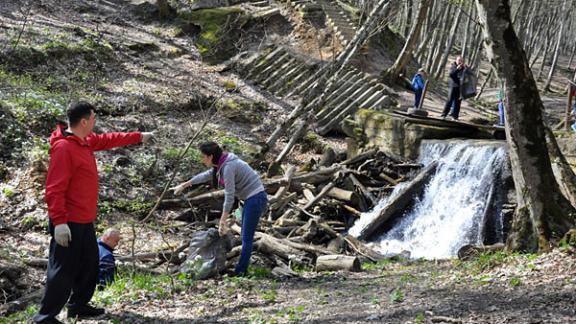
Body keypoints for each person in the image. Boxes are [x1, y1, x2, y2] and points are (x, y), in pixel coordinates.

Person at [33, 102, 154, 324]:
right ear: (84, 121)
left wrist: (138, 136)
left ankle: (78, 305)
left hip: (84, 219)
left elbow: (109, 139)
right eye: (94, 118)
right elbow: (54, 188)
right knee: (62, 270)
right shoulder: (64, 148)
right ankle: (44, 317)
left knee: (90, 263)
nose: (95, 122)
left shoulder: (85, 141)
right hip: (67, 221)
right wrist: (59, 222)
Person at [170, 142, 267, 276]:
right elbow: (206, 175)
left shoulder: (228, 167)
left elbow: (229, 195)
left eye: (203, 156)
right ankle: (240, 269)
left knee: (246, 238)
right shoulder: (221, 164)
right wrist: (184, 185)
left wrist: (222, 220)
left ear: (210, 156)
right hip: (249, 199)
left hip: (255, 199)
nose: (202, 159)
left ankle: (241, 272)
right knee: (245, 236)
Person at [441, 56, 466, 120]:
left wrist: (466, 68)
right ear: (456, 60)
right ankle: (444, 115)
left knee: (458, 103)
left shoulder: (463, 68)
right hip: (452, 86)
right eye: (458, 60)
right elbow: (451, 74)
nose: (459, 61)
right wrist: (457, 69)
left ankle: (455, 117)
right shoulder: (453, 66)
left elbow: (467, 76)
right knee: (449, 100)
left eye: (461, 60)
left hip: (460, 88)